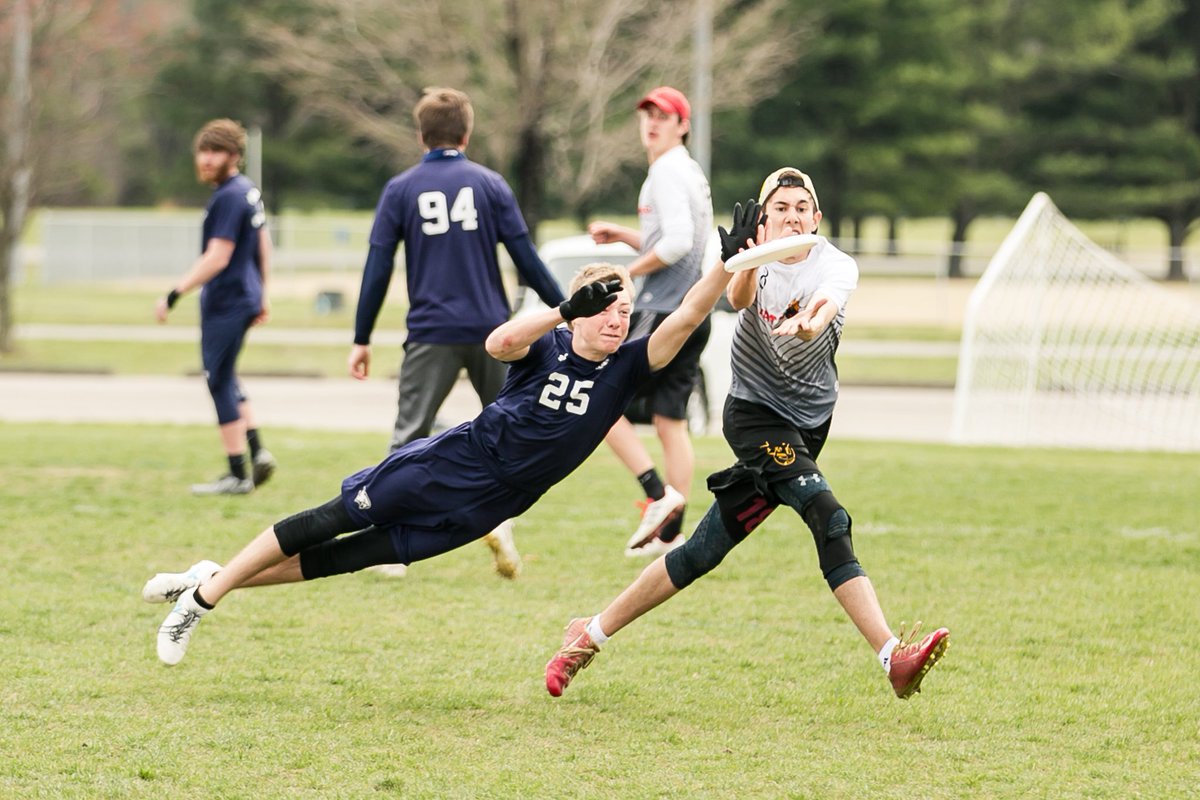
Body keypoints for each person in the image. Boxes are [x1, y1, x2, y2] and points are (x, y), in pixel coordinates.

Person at [142, 199, 757, 667]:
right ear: (580, 311)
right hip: (450, 463)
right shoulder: (549, 343)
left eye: (625, 311)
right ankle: (201, 601)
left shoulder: (627, 367)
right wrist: (567, 309)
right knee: (334, 518)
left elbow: (688, 315)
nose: (619, 320)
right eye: (608, 308)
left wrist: (726, 261)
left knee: (348, 558)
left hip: (490, 505)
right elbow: (499, 342)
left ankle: (211, 581)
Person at [545, 168, 950, 700]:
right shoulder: (754, 262)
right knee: (828, 515)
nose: (792, 216)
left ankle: (588, 634)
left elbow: (825, 305)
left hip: (808, 427)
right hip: (754, 416)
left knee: (701, 552)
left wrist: (808, 323)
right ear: (765, 218)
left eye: (801, 207)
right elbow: (738, 298)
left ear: (817, 217)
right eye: (780, 208)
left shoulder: (835, 264)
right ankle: (892, 658)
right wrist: (741, 259)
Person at [347, 87, 567, 578]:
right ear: (466, 133)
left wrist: (361, 337)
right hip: (496, 334)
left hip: (431, 332)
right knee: (508, 434)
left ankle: (390, 547)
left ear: (420, 134)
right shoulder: (490, 184)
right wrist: (564, 309)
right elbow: (525, 258)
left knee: (409, 435)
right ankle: (503, 522)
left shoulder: (400, 189)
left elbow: (377, 267)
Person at [587, 86, 714, 558]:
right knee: (669, 420)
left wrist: (627, 272)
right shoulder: (687, 169)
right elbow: (675, 237)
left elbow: (678, 243)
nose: (652, 123)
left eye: (664, 116)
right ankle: (671, 535)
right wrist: (627, 238)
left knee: (600, 399)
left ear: (683, 124)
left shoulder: (665, 169)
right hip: (692, 309)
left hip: (663, 311)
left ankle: (658, 496)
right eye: (647, 115)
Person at [155, 118, 276, 496]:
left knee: (218, 380)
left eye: (216, 152)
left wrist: (174, 294)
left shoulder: (227, 196)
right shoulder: (245, 190)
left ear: (234, 156)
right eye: (203, 151)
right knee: (229, 375)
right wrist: (262, 292)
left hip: (227, 301)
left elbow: (218, 256)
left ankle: (237, 474)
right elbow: (263, 243)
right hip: (243, 296)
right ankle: (258, 453)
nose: (207, 159)